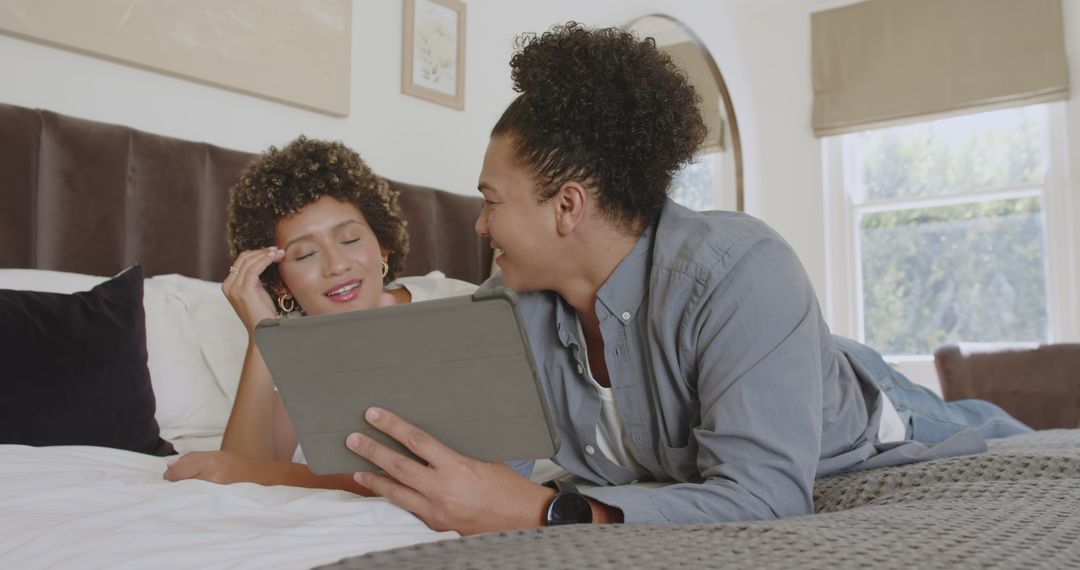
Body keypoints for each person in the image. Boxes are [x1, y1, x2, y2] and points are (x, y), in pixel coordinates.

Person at [342, 22, 1031, 533]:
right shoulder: (506, 309)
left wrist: (546, 512)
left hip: (870, 411)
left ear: (568, 207)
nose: (480, 226)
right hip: (763, 359)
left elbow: (766, 497)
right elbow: (483, 475)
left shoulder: (741, 269)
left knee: (1012, 432)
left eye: (492, 201)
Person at [163, 136, 476, 492]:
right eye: (305, 254)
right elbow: (237, 475)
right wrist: (262, 334)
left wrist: (275, 475)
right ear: (280, 284)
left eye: (350, 239)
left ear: (383, 247)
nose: (337, 265)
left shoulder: (457, 306)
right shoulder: (298, 348)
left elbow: (450, 479)